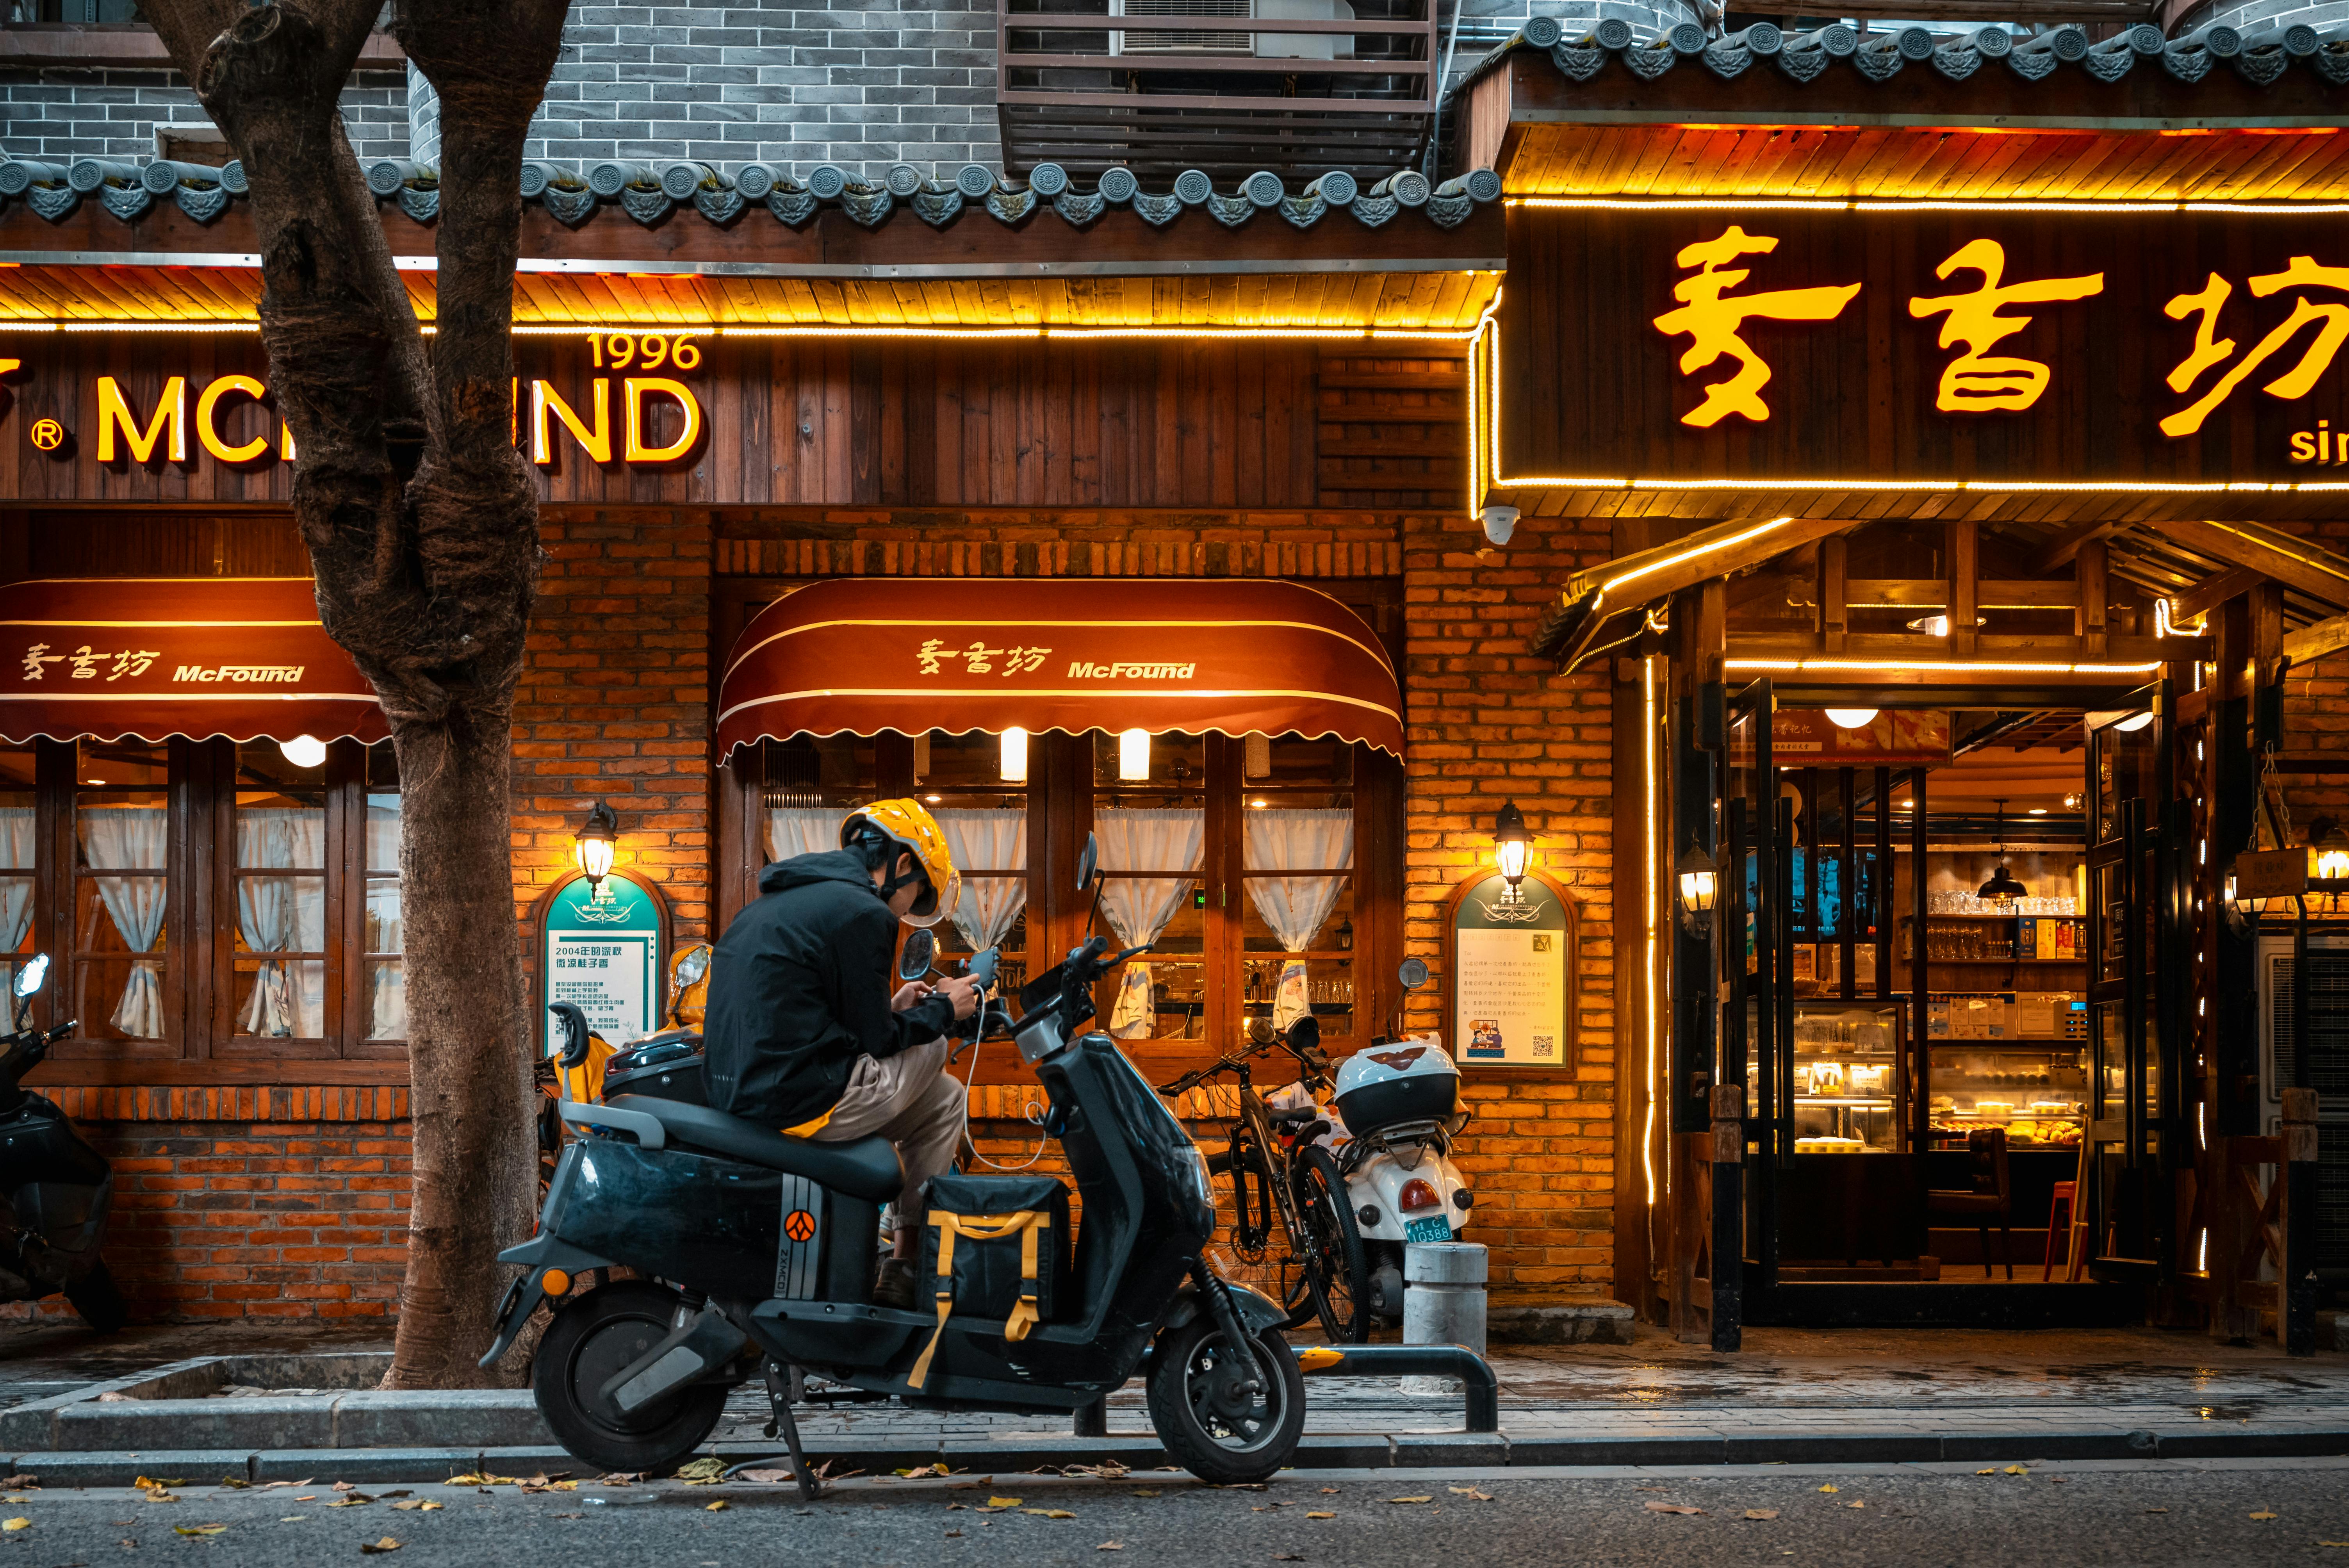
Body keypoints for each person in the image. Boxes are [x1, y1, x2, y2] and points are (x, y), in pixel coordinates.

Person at [703, 799, 979, 1309]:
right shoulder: (865, 912)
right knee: (937, 1045)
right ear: (901, 865)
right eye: (917, 893)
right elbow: (876, 1041)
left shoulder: (774, 905)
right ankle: (906, 1262)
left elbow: (817, 1018)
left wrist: (893, 1008)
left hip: (746, 1097)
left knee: (945, 1100)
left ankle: (901, 1264)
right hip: (804, 1101)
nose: (908, 910)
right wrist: (947, 1009)